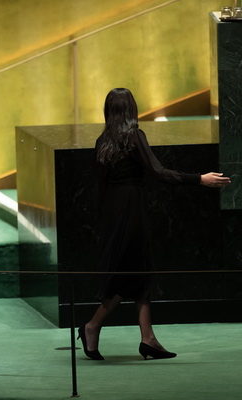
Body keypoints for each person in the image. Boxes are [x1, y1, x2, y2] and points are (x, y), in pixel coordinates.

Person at [78, 88, 230, 360]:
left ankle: (148, 338)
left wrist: (105, 222)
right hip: (131, 210)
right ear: (131, 109)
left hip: (113, 212)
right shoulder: (134, 136)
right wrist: (199, 179)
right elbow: (158, 172)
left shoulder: (103, 141)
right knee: (131, 273)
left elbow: (99, 186)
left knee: (140, 271)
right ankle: (92, 325)